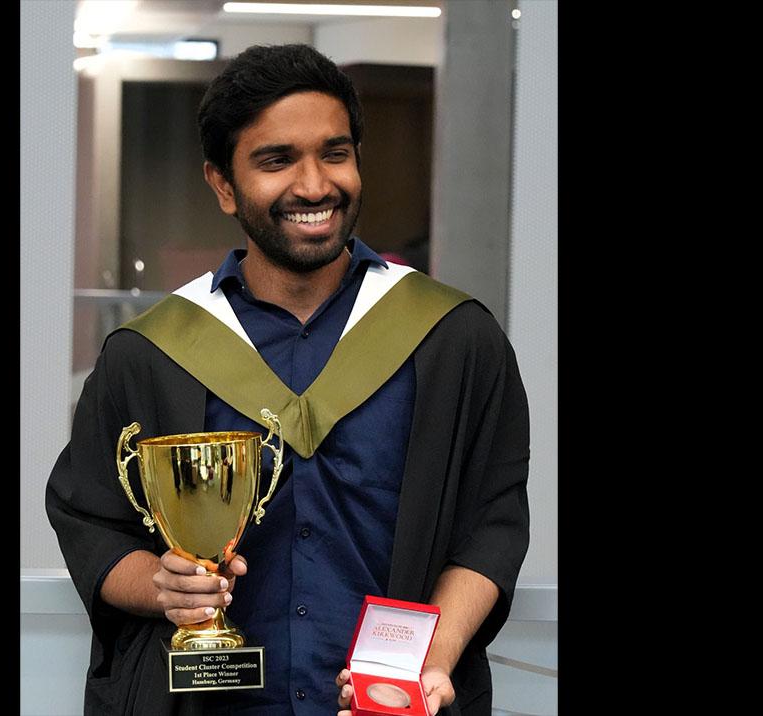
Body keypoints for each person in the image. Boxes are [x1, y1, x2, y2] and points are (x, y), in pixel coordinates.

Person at [47, 44, 530, 716]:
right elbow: (92, 520)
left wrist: (431, 660)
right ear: (222, 184)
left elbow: (492, 525)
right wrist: (163, 585)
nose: (314, 186)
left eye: (335, 153)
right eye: (277, 161)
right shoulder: (152, 351)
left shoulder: (452, 339)